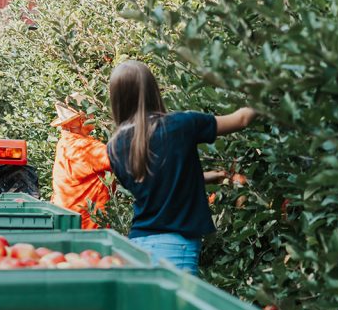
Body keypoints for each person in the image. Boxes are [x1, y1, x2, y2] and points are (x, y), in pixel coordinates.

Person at [106, 60, 255, 276]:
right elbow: (241, 119)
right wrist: (268, 93)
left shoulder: (114, 146)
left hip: (138, 245)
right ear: (152, 89)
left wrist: (201, 177)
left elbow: (154, 183)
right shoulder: (180, 125)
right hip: (176, 246)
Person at [49, 93, 113, 229]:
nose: (93, 116)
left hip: (69, 224)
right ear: (79, 120)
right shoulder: (81, 147)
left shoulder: (66, 143)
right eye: (89, 113)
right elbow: (121, 157)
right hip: (87, 229)